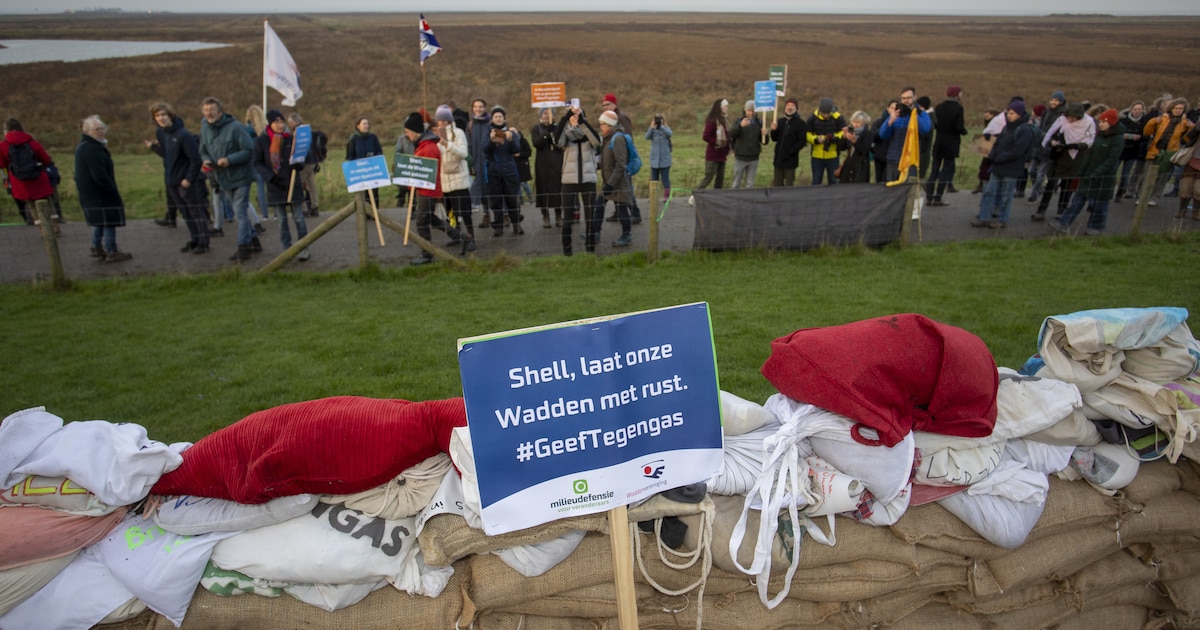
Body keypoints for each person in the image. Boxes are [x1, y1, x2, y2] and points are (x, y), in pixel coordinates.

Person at [199, 96, 259, 262]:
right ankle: (255, 240)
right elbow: (202, 149)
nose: (208, 113)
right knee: (238, 209)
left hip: (241, 176)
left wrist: (229, 160)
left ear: (220, 112)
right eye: (205, 110)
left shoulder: (236, 127)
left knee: (239, 210)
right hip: (222, 177)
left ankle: (243, 247)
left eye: (211, 110)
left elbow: (249, 150)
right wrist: (205, 160)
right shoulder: (204, 128)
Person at [145, 102, 209, 254]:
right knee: (185, 212)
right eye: (158, 115)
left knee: (195, 211)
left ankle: (204, 242)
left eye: (163, 115)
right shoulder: (161, 133)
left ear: (170, 115)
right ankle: (194, 239)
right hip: (171, 180)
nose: (161, 118)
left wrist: (188, 179)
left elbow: (195, 159)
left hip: (185, 181)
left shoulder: (183, 134)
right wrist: (154, 148)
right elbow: (167, 155)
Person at [1052, 107, 1124, 236]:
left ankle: (1096, 227)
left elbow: (1111, 160)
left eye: (1104, 122)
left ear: (1111, 123)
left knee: (1099, 205)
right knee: (1077, 200)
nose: (1100, 124)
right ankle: (1064, 223)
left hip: (1102, 178)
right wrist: (1081, 171)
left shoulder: (1117, 140)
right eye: (1100, 121)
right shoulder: (1100, 136)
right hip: (1088, 175)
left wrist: (1097, 173)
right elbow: (1089, 155)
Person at [403, 112, 462, 265]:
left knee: (421, 222)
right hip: (426, 190)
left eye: (408, 132)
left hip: (427, 191)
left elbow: (425, 173)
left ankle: (426, 254)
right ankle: (458, 235)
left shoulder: (427, 148)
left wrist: (412, 179)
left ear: (416, 132)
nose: (407, 136)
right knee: (430, 219)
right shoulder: (424, 146)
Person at [252, 109, 309, 261]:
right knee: (282, 220)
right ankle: (287, 249)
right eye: (276, 122)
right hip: (275, 185)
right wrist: (270, 177)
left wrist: (299, 165)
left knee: (298, 217)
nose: (280, 125)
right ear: (270, 124)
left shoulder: (291, 139)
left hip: (292, 183)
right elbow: (257, 162)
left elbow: (301, 154)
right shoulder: (261, 141)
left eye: (282, 121)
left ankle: (303, 247)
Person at [970, 100, 1035, 230]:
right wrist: (992, 155)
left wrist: (1000, 158)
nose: (1009, 116)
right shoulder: (1006, 127)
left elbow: (1018, 150)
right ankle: (984, 217)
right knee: (989, 192)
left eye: (1012, 113)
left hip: (1011, 168)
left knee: (1005, 196)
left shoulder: (1024, 130)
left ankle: (1002, 220)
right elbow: (997, 144)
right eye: (1008, 113)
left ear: (1019, 114)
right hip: (997, 166)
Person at [74, 115, 131, 262]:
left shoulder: (87, 146)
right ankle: (111, 250)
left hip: (92, 193)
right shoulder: (92, 149)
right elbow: (99, 174)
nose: (101, 132)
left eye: (102, 128)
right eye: (97, 129)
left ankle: (97, 246)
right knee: (108, 220)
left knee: (101, 220)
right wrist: (111, 189)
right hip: (99, 193)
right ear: (87, 131)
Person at [1032, 102, 1095, 221]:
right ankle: (1041, 210)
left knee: (1067, 185)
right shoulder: (1061, 120)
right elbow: (1050, 133)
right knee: (1050, 183)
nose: (1071, 120)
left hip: (1074, 157)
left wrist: (1077, 145)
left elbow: (1089, 140)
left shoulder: (1088, 123)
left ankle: (1061, 209)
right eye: (1069, 117)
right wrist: (1052, 142)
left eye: (1074, 118)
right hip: (1058, 155)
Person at [555, 104, 601, 256]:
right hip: (569, 180)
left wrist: (582, 122)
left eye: (578, 116)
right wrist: (565, 118)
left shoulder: (589, 134)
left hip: (588, 180)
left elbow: (597, 142)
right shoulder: (565, 135)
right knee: (567, 219)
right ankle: (567, 252)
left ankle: (590, 250)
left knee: (590, 218)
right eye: (572, 117)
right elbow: (557, 141)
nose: (574, 119)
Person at [0, 117, 59, 235]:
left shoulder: (3, 145)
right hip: (37, 176)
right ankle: (55, 226)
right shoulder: (31, 141)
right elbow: (45, 159)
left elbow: (2, 164)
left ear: (6, 130)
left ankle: (42, 229)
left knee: (31, 204)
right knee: (47, 199)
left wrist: (7, 180)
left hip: (19, 179)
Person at [434, 105, 475, 254]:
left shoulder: (459, 133)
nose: (442, 123)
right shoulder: (435, 135)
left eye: (445, 120)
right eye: (439, 120)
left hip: (459, 178)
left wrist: (447, 144)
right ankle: (458, 235)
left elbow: (463, 153)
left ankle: (472, 237)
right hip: (444, 180)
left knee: (464, 211)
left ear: (450, 120)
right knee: (450, 212)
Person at [1141, 98, 1195, 206]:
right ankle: (1143, 197)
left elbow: (1187, 139)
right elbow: (1146, 132)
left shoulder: (1184, 123)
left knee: (1162, 177)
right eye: (1177, 108)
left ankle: (1154, 197)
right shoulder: (1162, 119)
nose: (1179, 110)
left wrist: (1191, 128)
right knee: (1148, 175)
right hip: (1155, 149)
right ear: (1172, 108)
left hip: (1169, 152)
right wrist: (1153, 122)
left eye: (1181, 108)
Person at [600, 93, 641, 223]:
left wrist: (623, 157)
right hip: (612, 160)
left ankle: (635, 213)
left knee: (625, 188)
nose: (605, 107)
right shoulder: (609, 119)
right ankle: (618, 213)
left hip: (622, 160)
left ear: (614, 104)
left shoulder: (622, 118)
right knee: (618, 189)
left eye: (608, 104)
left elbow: (627, 139)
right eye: (603, 105)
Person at [877, 87, 932, 182]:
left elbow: (925, 129)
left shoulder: (921, 114)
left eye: (909, 98)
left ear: (915, 97)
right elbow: (882, 135)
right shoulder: (896, 115)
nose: (906, 101)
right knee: (892, 191)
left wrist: (913, 115)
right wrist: (890, 122)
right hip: (894, 159)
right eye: (903, 98)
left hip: (910, 161)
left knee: (908, 192)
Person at [483, 105, 523, 236]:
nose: (498, 119)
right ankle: (498, 226)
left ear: (504, 118)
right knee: (496, 201)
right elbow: (485, 150)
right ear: (492, 118)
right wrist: (491, 140)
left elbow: (517, 150)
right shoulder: (487, 131)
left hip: (509, 171)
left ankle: (516, 224)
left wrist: (511, 140)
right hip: (494, 171)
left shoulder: (511, 132)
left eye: (500, 116)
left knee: (512, 199)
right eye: (496, 116)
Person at [925, 86, 968, 206]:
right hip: (951, 143)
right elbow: (959, 127)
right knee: (946, 171)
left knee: (934, 170)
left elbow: (936, 124)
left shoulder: (939, 107)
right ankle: (938, 197)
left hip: (939, 141)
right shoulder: (958, 108)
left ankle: (929, 197)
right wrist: (964, 132)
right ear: (956, 95)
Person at [598, 110, 634, 248]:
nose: (600, 126)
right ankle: (595, 232)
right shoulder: (607, 138)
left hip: (618, 182)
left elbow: (621, 164)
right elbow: (607, 160)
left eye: (603, 124)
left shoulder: (618, 139)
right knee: (598, 205)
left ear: (610, 125)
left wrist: (610, 184)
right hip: (609, 181)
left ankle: (626, 236)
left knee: (622, 209)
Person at [1026, 90, 1068, 202]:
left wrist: (1051, 139)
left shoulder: (1062, 115)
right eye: (1052, 99)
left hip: (1049, 147)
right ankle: (1038, 188)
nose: (1053, 102)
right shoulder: (1046, 112)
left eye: (1056, 100)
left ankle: (1033, 195)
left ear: (1061, 102)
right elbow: (1041, 127)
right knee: (1031, 171)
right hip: (1039, 145)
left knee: (1041, 174)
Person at [530, 107, 564, 228]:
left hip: (556, 162)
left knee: (557, 189)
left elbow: (562, 144)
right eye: (544, 113)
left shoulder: (559, 127)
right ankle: (545, 215)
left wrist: (553, 136)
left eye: (548, 113)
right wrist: (546, 133)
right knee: (543, 188)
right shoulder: (536, 128)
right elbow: (537, 143)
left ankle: (559, 215)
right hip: (542, 164)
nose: (546, 116)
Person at [692, 99, 730, 203]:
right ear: (720, 107)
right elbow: (706, 136)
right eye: (725, 106)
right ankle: (695, 195)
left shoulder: (725, 121)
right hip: (713, 154)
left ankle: (717, 198)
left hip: (722, 155)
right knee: (709, 176)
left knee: (720, 179)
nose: (727, 108)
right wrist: (717, 142)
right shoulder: (712, 121)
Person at [286, 112, 322, 217]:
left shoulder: (298, 132)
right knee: (311, 185)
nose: (289, 124)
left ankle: (303, 209)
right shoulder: (307, 131)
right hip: (312, 161)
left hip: (304, 162)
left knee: (299, 185)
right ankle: (315, 207)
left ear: (295, 122)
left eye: (290, 122)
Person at [346, 116, 383, 211]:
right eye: (364, 124)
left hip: (372, 169)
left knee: (374, 192)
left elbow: (379, 151)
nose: (367, 125)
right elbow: (350, 156)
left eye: (367, 123)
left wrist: (374, 158)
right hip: (360, 170)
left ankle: (375, 212)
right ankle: (365, 213)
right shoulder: (353, 139)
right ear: (358, 126)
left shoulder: (373, 137)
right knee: (363, 192)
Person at [806, 97, 846, 186]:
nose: (825, 115)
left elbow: (843, 131)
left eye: (827, 113)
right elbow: (807, 134)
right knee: (816, 181)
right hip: (817, 155)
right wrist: (816, 139)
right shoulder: (812, 118)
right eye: (823, 113)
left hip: (833, 155)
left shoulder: (838, 117)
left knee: (833, 181)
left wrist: (833, 138)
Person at [729, 100, 768, 188]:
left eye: (753, 110)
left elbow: (764, 142)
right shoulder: (739, 121)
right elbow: (731, 133)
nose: (751, 113)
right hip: (740, 158)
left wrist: (765, 135)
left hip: (753, 159)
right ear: (745, 111)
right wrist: (740, 126)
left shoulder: (759, 123)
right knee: (736, 184)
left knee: (750, 185)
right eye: (749, 110)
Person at [770, 97, 807, 186]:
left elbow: (802, 141)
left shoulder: (800, 123)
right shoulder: (780, 121)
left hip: (791, 160)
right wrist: (773, 130)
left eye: (792, 106)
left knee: (789, 184)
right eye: (788, 105)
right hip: (778, 159)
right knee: (777, 184)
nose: (789, 107)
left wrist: (791, 151)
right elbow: (774, 138)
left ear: (796, 108)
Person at [244, 105, 270, 220]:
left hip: (254, 160)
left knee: (259, 187)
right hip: (267, 159)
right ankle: (274, 212)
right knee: (268, 186)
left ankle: (264, 213)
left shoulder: (246, 130)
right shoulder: (266, 130)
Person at [466, 98, 491, 222]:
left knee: (494, 188)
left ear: (485, 108)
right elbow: (468, 145)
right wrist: (470, 162)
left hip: (490, 162)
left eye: (480, 107)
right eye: (475, 107)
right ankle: (486, 213)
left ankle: (503, 213)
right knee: (481, 188)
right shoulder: (470, 125)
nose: (478, 109)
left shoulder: (490, 123)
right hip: (476, 161)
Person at [837, 111, 873, 184]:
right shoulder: (851, 131)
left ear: (863, 123)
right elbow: (841, 147)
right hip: (848, 166)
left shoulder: (867, 134)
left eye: (858, 123)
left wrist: (855, 141)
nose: (855, 125)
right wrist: (844, 137)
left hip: (860, 167)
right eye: (854, 122)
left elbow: (864, 150)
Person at [645, 113, 673, 202]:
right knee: (654, 179)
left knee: (665, 179)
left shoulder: (666, 129)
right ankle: (653, 196)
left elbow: (670, 134)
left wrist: (661, 126)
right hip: (654, 160)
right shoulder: (653, 131)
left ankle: (667, 196)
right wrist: (652, 127)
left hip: (664, 159)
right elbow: (647, 137)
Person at [1174, 125, 1200, 220]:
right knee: (1186, 186)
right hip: (1192, 159)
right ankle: (1182, 209)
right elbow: (1188, 136)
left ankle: (1196, 211)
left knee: (1198, 189)